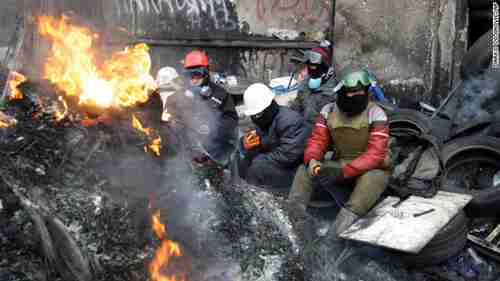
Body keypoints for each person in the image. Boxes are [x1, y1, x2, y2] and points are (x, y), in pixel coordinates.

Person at [287, 68, 392, 237]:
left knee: (372, 181)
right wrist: (313, 160)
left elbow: (376, 154)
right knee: (303, 171)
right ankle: (296, 222)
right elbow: (317, 141)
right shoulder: (328, 111)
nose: (356, 95)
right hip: (342, 163)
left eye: (360, 92)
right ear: (341, 91)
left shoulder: (376, 113)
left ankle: (335, 237)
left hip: (372, 168)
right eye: (351, 92)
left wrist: (343, 172)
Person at [237, 83, 308, 190]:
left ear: (268, 106)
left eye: (257, 114)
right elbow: (262, 142)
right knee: (243, 162)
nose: (255, 119)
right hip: (273, 162)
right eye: (253, 115)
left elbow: (289, 155)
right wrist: (245, 144)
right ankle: (242, 189)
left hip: (294, 170)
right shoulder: (265, 119)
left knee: (258, 167)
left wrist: (260, 158)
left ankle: (258, 196)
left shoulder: (290, 121)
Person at [181, 50, 238, 167]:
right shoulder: (182, 95)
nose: (194, 80)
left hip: (216, 150)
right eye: (190, 76)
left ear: (206, 72)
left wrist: (213, 128)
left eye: (197, 74)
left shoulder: (220, 94)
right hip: (190, 150)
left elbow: (231, 120)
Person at [290, 40, 337, 131]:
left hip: (320, 134)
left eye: (316, 67)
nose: (313, 70)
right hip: (302, 131)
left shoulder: (333, 90)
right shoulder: (305, 83)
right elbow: (296, 106)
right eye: (310, 67)